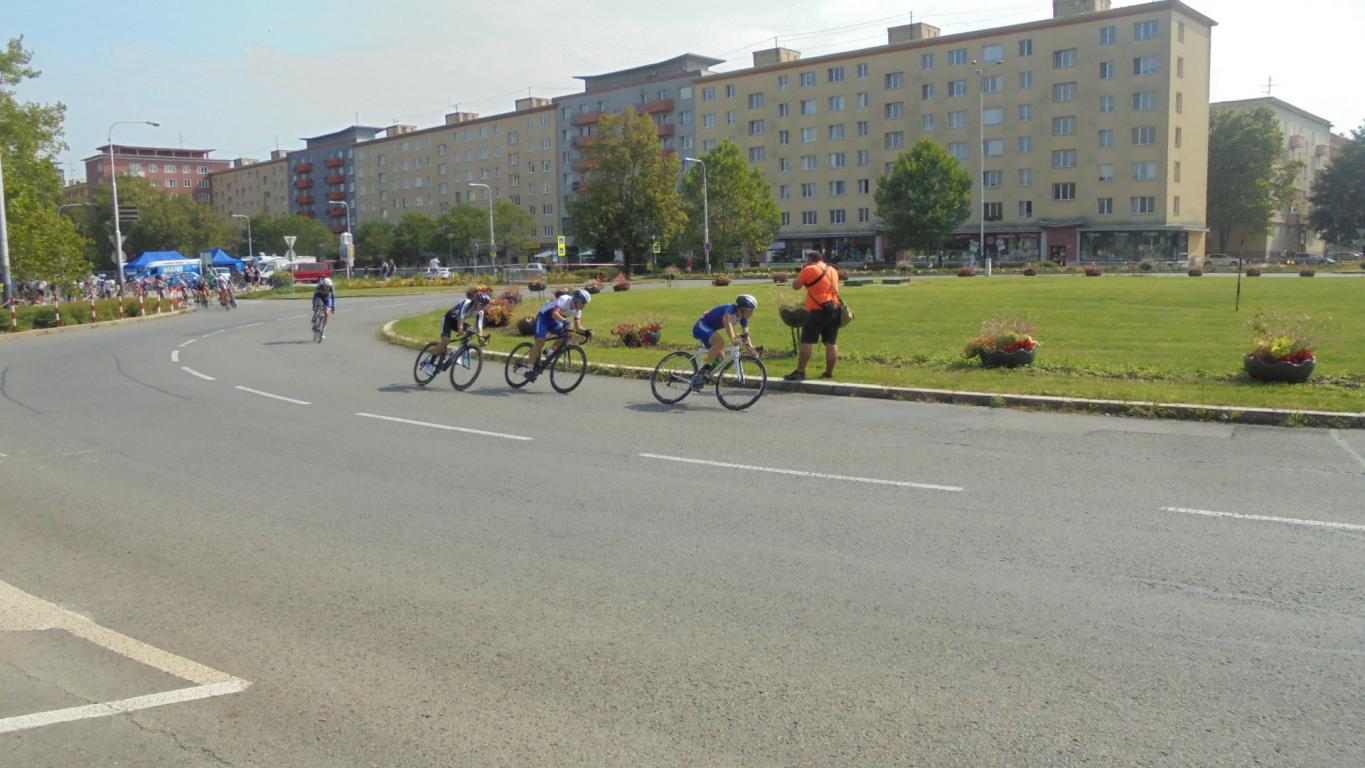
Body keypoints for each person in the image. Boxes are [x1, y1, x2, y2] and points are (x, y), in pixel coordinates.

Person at [785, 250, 841, 381]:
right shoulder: (832, 270)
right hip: (834, 308)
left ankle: (800, 372)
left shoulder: (809, 269)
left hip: (818, 309)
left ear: (810, 260)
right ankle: (828, 373)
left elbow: (795, 286)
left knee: (806, 340)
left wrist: (802, 271)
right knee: (831, 342)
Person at [690, 294, 759, 388]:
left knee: (721, 357)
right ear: (743, 308)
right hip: (700, 326)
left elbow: (746, 335)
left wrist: (750, 347)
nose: (752, 313)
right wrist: (733, 339)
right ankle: (705, 370)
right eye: (751, 310)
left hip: (709, 330)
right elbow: (727, 322)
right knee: (720, 342)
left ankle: (700, 377)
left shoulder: (743, 318)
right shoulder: (730, 309)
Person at [525, 288, 592, 381]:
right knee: (540, 341)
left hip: (555, 321)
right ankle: (529, 370)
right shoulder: (565, 299)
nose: (585, 305)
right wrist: (565, 321)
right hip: (544, 317)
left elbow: (577, 327)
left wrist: (586, 332)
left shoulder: (578, 311)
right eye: (583, 302)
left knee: (566, 335)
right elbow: (555, 313)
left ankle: (550, 352)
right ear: (576, 300)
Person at [425, 291, 491, 372]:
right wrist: (460, 329)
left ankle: (457, 352)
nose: (482, 307)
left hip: (457, 322)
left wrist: (480, 338)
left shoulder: (480, 312)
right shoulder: (466, 303)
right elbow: (461, 316)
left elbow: (479, 326)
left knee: (471, 332)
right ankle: (430, 363)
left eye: (484, 305)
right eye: (482, 304)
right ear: (476, 301)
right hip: (448, 319)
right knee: (445, 341)